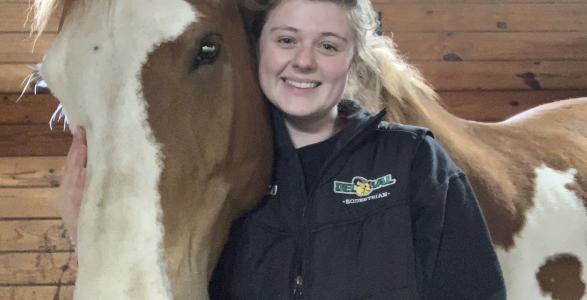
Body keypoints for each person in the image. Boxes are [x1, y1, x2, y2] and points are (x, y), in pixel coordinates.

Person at [58, 0, 506, 299]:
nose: (304, 61)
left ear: (354, 59)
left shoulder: (414, 164)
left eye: (328, 45)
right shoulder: (236, 188)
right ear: (258, 48)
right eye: (286, 40)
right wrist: (93, 235)